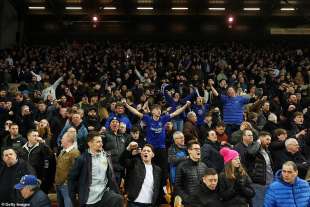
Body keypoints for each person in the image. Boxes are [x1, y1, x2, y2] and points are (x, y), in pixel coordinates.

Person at [123, 99, 191, 179]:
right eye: (157, 109)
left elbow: (176, 113)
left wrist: (185, 106)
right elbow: (136, 112)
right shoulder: (148, 119)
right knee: (151, 170)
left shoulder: (163, 118)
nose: (159, 111)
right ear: (152, 112)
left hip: (161, 149)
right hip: (151, 149)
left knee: (163, 171)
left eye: (160, 109)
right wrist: (126, 105)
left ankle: (164, 187)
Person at [68, 131, 123, 207]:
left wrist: (116, 191)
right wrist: (73, 197)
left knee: (118, 199)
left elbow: (111, 176)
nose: (101, 144)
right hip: (89, 198)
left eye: (101, 141)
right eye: (98, 142)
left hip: (104, 194)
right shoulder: (81, 159)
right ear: (90, 144)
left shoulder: (106, 156)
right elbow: (72, 179)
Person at [244, 131, 273, 207]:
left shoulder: (267, 150)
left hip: (269, 182)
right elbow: (251, 153)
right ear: (261, 138)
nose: (269, 142)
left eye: (270, 140)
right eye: (267, 139)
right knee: (258, 204)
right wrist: (258, 142)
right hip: (258, 183)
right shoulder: (253, 146)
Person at [175, 140, 208, 206]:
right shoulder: (181, 166)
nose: (198, 151)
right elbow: (177, 186)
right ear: (189, 151)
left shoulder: (204, 166)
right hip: (189, 203)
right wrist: (187, 198)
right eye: (195, 149)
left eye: (199, 149)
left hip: (202, 202)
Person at [55, 132, 80, 207]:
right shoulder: (63, 151)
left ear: (68, 140)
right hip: (59, 184)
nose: (61, 140)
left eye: (62, 138)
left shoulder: (75, 153)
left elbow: (76, 170)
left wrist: (67, 182)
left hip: (67, 185)